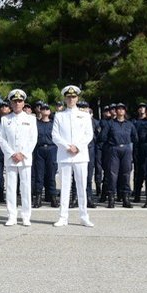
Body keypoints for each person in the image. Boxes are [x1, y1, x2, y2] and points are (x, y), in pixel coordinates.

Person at [52, 85, 95, 227]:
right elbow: (55, 135)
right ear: (65, 98)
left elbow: (88, 134)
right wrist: (67, 146)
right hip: (64, 155)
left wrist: (77, 146)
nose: (71, 99)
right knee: (64, 187)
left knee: (82, 186)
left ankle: (84, 216)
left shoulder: (84, 115)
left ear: (77, 98)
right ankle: (63, 217)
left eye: (73, 97)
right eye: (68, 97)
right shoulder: (59, 115)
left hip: (80, 155)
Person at [0, 90, 37, 226]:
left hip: (25, 159)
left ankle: (26, 215)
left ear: (23, 103)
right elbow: (2, 139)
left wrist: (23, 154)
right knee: (10, 187)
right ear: (11, 103)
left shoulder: (31, 119)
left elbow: (33, 139)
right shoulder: (5, 119)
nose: (17, 103)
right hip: (11, 159)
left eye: (20, 101)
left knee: (25, 187)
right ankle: (12, 215)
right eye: (14, 101)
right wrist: (12, 154)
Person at [99, 103, 137, 208]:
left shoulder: (129, 124)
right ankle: (111, 199)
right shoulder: (110, 124)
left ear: (125, 111)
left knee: (126, 174)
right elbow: (102, 137)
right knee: (112, 175)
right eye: (118, 109)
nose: (120, 111)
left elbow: (135, 138)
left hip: (126, 149)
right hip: (113, 149)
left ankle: (126, 198)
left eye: (122, 109)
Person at [32, 103, 58, 208]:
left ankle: (53, 198)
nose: (45, 110)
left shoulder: (54, 124)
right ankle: (38, 198)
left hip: (51, 149)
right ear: (40, 111)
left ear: (50, 111)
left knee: (51, 175)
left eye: (47, 108)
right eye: (43, 108)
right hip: (39, 149)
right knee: (39, 174)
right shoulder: (36, 124)